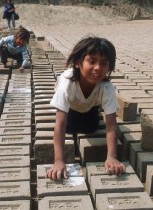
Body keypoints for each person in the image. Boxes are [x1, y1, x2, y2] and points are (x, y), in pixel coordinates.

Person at [46, 36, 126, 180]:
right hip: (71, 108)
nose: (97, 68)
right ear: (78, 62)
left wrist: (112, 157)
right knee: (69, 128)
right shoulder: (66, 84)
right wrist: (58, 161)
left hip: (90, 107)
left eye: (104, 63)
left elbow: (112, 125)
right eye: (92, 61)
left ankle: (95, 113)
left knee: (90, 129)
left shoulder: (106, 87)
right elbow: (60, 124)